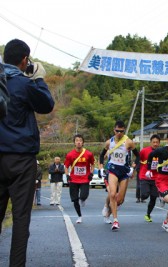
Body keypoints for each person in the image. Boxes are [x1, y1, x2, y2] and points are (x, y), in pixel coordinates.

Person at [0, 39, 54, 267]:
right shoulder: (24, 84)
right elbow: (46, 104)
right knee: (21, 219)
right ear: (24, 60)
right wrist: (38, 78)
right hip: (21, 159)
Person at [99, 121, 135, 231]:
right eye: (117, 131)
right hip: (112, 170)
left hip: (124, 172)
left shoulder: (129, 142)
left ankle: (109, 210)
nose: (119, 133)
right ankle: (115, 220)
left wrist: (133, 168)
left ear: (124, 131)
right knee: (113, 194)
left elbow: (138, 156)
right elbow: (101, 156)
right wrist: (101, 168)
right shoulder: (109, 142)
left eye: (121, 131)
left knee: (120, 200)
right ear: (114, 130)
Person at [64, 134, 95, 224]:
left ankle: (83, 199)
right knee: (74, 199)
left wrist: (91, 173)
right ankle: (79, 216)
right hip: (73, 179)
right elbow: (66, 166)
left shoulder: (88, 154)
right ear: (74, 142)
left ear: (83, 142)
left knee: (83, 196)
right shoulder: (70, 155)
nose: (78, 142)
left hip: (85, 179)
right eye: (77, 140)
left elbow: (92, 164)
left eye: (80, 140)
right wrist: (67, 175)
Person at [138, 134, 161, 222]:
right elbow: (138, 159)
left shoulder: (161, 152)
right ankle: (142, 194)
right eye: (153, 142)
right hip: (145, 176)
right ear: (150, 142)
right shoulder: (144, 151)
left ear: (159, 143)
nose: (155, 144)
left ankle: (148, 214)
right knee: (145, 195)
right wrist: (135, 167)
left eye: (157, 142)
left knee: (154, 197)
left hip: (155, 178)